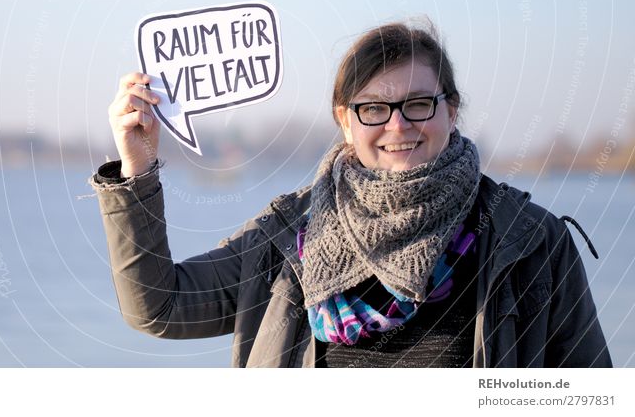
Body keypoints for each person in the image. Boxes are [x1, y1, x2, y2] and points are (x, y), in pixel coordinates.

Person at [91, 19, 612, 368]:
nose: (398, 125)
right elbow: (161, 308)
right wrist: (137, 168)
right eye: (373, 108)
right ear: (345, 120)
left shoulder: (527, 241)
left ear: (451, 110)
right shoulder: (290, 236)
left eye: (418, 104)